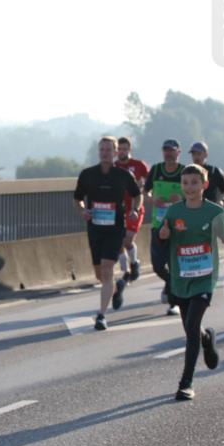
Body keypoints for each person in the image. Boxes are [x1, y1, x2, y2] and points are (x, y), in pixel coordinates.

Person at [158, 164, 224, 400]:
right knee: (191, 328)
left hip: (204, 278)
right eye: (185, 183)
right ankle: (206, 338)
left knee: (191, 325)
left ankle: (186, 383)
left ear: (204, 185)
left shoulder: (214, 212)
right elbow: (163, 236)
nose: (190, 187)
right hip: (181, 279)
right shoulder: (173, 212)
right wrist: (163, 235)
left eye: (194, 183)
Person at [74, 136, 142, 330]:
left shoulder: (123, 175)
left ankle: (101, 315)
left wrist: (135, 209)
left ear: (116, 152)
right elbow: (77, 198)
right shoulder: (87, 174)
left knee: (106, 269)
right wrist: (82, 211)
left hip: (115, 229)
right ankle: (114, 290)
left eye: (109, 150)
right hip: (95, 229)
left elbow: (137, 195)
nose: (105, 153)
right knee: (101, 275)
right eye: (102, 150)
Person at [144, 139, 184, 315]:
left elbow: (195, 194)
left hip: (178, 226)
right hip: (158, 224)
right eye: (165, 150)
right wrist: (153, 199)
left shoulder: (184, 171)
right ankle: (170, 283)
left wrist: (181, 199)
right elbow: (145, 192)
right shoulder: (156, 170)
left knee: (175, 264)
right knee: (158, 266)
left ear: (178, 152)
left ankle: (174, 302)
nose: (168, 154)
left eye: (171, 150)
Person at [114, 136, 149, 283]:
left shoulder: (139, 165)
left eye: (124, 149)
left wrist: (143, 187)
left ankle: (134, 262)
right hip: (118, 209)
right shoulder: (113, 167)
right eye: (119, 149)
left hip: (134, 208)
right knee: (118, 242)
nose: (121, 152)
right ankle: (125, 272)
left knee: (127, 240)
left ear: (129, 149)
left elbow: (149, 182)